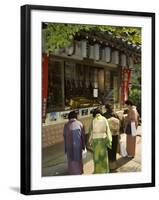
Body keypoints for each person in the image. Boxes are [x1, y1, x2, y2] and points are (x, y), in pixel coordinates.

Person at [88, 108, 112, 173]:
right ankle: (104, 171)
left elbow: (90, 131)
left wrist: (89, 141)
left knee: (97, 157)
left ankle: (98, 171)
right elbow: (108, 130)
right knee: (103, 156)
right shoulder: (104, 119)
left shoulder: (93, 120)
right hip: (103, 140)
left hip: (96, 141)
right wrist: (109, 141)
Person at [63, 111, 85, 175]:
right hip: (78, 146)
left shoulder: (66, 125)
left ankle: (72, 172)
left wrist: (66, 148)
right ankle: (79, 171)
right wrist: (83, 146)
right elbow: (83, 136)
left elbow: (64, 135)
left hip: (69, 146)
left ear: (69, 117)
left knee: (71, 160)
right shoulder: (80, 124)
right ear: (76, 117)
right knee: (78, 159)